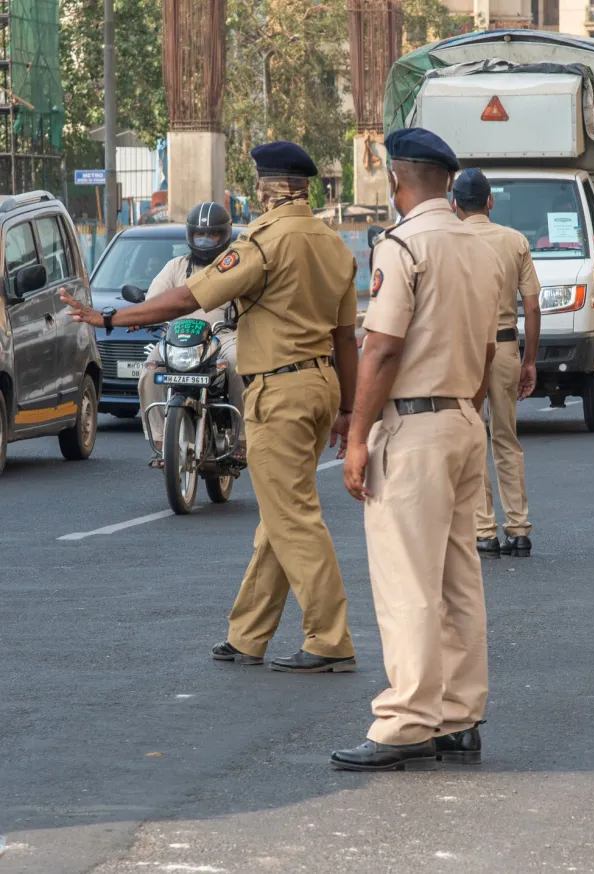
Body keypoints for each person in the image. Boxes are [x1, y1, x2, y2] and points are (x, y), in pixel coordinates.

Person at [63, 141, 361, 672]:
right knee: (279, 514)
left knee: (293, 518)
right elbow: (345, 339)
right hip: (321, 388)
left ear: (270, 188)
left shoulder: (263, 244)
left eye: (257, 183)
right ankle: (249, 635)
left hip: (279, 390)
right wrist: (349, 409)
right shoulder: (334, 245)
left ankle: (330, 639)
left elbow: (187, 298)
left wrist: (106, 320)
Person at [330, 128, 503, 772]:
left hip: (414, 425)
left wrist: (356, 439)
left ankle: (405, 721)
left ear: (398, 182)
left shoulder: (402, 245)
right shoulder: (481, 246)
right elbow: (488, 350)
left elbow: (381, 347)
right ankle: (460, 715)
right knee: (459, 579)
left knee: (407, 580)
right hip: (462, 418)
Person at [455, 168, 543, 559]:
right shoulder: (515, 241)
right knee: (506, 439)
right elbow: (533, 305)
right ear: (490, 202)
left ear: (455, 204)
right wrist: (530, 360)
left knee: (472, 437)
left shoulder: (449, 240)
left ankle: (484, 529)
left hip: (465, 352)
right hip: (507, 348)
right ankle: (519, 528)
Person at [136, 202, 243, 462]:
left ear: (224, 235)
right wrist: (143, 316)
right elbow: (154, 302)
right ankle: (162, 442)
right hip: (178, 340)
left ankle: (242, 440)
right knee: (149, 372)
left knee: (241, 365)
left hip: (224, 336)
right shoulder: (175, 267)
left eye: (212, 235)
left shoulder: (235, 266)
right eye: (199, 235)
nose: (205, 240)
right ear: (190, 235)